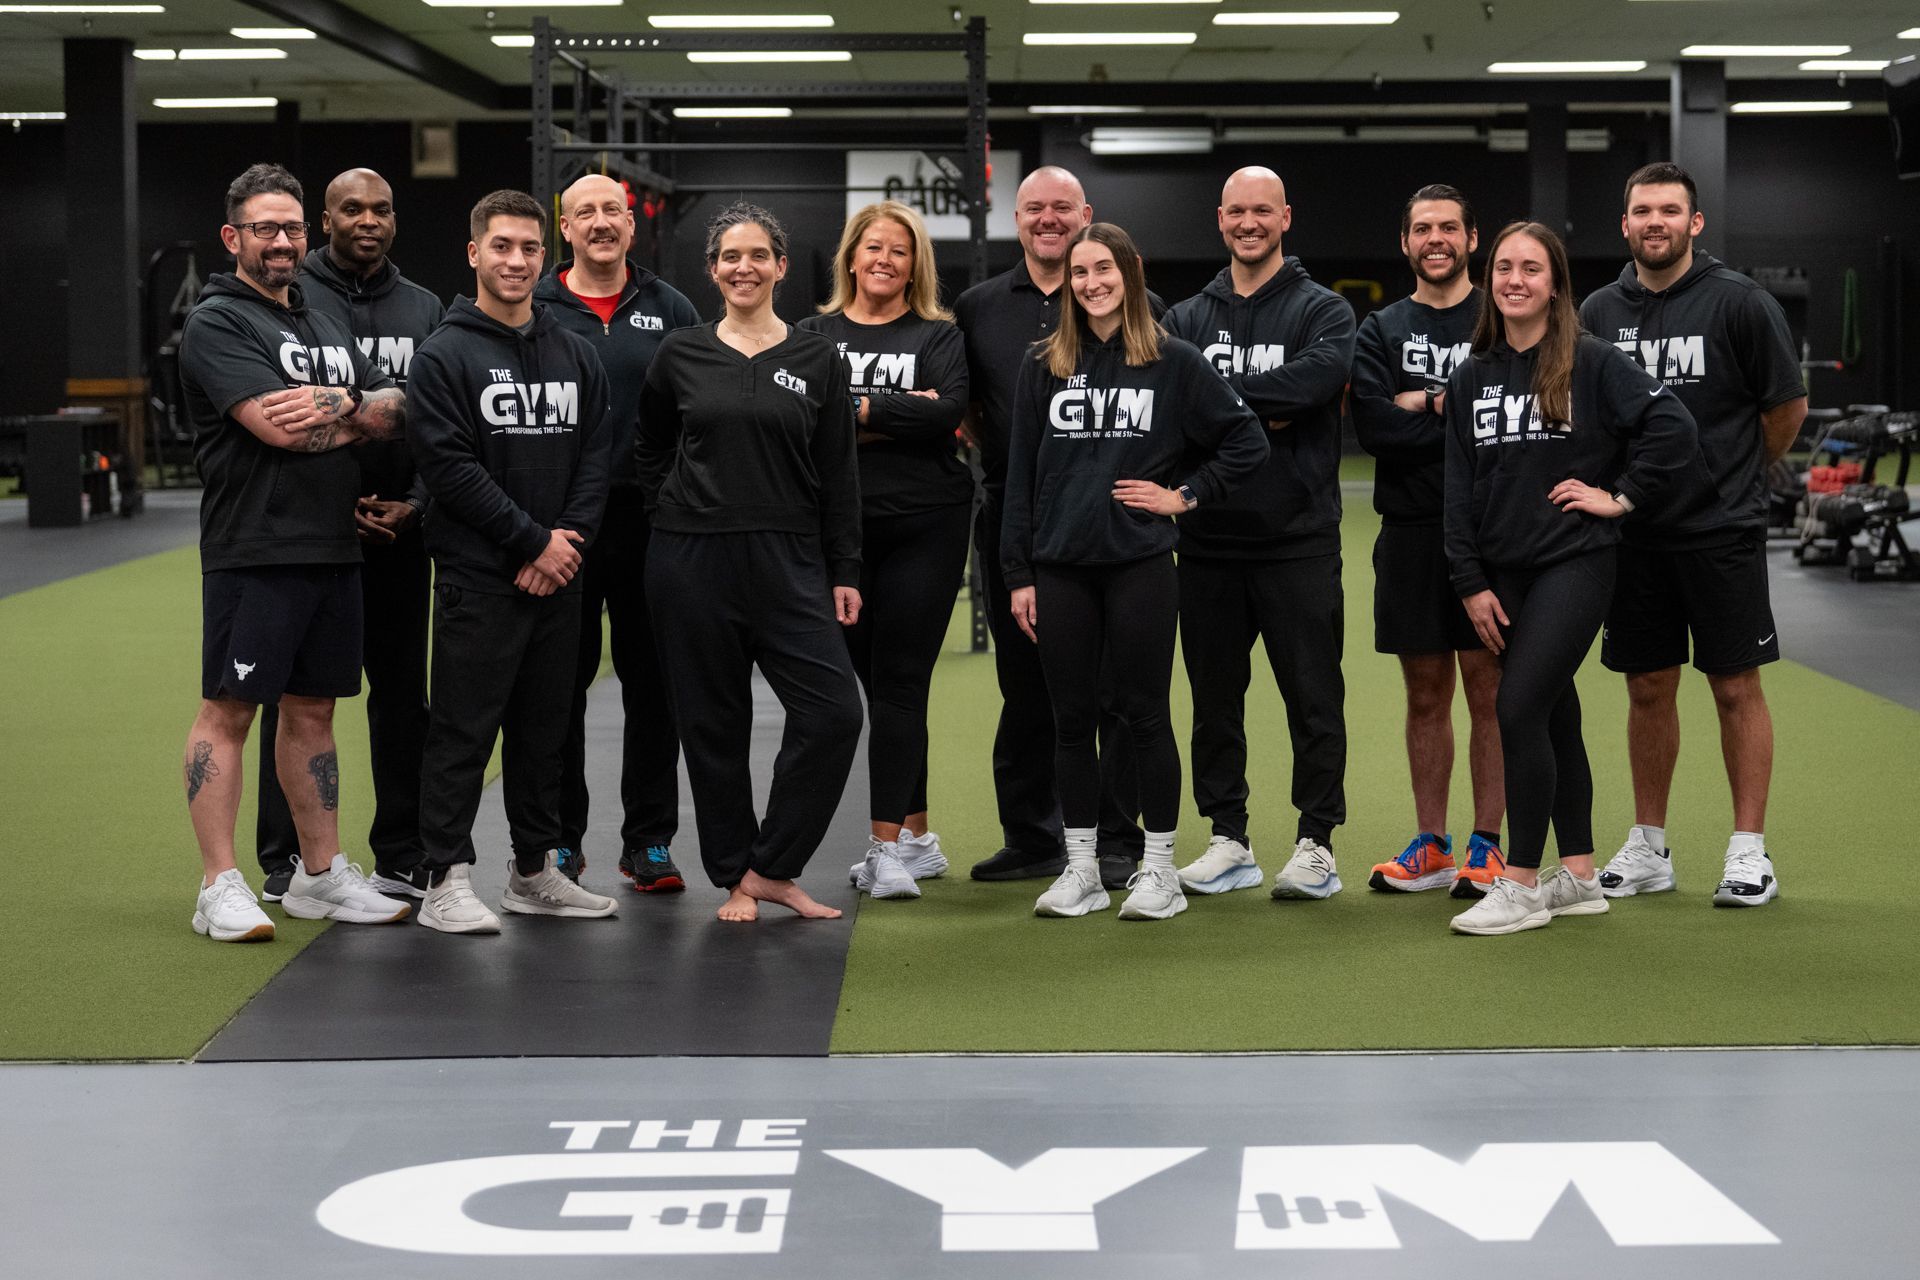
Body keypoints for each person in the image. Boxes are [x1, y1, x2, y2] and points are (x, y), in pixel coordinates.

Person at [177, 162, 414, 940]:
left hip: (332, 547)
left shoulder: (320, 316)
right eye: (265, 229)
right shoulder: (219, 322)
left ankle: (319, 874)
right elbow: (277, 429)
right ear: (233, 238)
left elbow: (394, 406)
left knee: (314, 713)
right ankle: (219, 884)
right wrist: (351, 413)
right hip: (256, 548)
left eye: (291, 229)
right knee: (230, 710)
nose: (282, 242)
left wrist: (340, 404)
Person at [1004, 222, 1267, 921]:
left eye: (1104, 269)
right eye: (1080, 272)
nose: (1091, 283)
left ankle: (1158, 872)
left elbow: (1246, 439)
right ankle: (1083, 868)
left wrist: (1183, 496)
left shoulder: (1173, 361)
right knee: (1070, 722)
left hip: (1140, 566)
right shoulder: (1043, 364)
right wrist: (1018, 573)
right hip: (1059, 568)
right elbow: (1019, 476)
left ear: (1130, 272)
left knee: (1146, 716)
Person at [1442, 221, 1697, 936]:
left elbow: (1672, 427)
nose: (1514, 279)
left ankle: (1520, 880)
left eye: (1530, 268)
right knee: (1555, 711)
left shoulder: (1590, 361)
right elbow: (1457, 488)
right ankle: (1579, 876)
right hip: (1501, 571)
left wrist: (1618, 496)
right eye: (1503, 268)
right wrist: (1468, 581)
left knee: (1517, 708)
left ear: (1554, 284)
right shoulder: (1472, 374)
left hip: (1576, 563)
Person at [1581, 163, 1808, 908]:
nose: (1656, 222)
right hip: (1634, 533)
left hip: (1721, 532)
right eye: (1642, 210)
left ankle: (1750, 854)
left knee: (1735, 686)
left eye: (1669, 211)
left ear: (1694, 222)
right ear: (1625, 224)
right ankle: (1649, 848)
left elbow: (1786, 409)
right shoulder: (1599, 311)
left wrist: (1731, 476)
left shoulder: (1740, 303)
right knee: (1647, 687)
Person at [637, 202, 864, 923]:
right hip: (690, 559)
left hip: (789, 558)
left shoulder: (817, 356)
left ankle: (775, 866)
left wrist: (845, 568)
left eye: (758, 255)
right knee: (713, 725)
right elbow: (649, 447)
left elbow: (839, 471)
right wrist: (676, 506)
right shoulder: (680, 353)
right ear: (712, 270)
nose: (744, 267)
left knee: (833, 714)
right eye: (730, 257)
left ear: (781, 267)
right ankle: (737, 874)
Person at [408, 189, 618, 935]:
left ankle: (534, 871)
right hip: (480, 578)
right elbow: (450, 469)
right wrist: (533, 542)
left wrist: (567, 542)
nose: (517, 261)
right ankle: (443, 877)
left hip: (559, 576)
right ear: (474, 253)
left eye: (530, 249)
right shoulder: (443, 355)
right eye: (502, 246)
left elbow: (598, 456)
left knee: (546, 731)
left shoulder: (575, 352)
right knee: (463, 731)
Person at [251, 167, 445, 905]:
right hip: (312, 532)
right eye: (352, 209)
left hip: (401, 532)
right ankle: (286, 857)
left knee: (402, 696)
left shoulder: (426, 307)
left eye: (383, 209)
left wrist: (418, 504)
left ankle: (402, 849)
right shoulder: (291, 300)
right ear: (324, 220)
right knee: (297, 696)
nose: (370, 219)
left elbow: (441, 420)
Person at [1163, 166, 1356, 901]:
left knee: (1313, 696)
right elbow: (1170, 404)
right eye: (1237, 211)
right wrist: (1255, 413)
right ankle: (1228, 839)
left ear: (1285, 218)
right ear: (1221, 219)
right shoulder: (1185, 317)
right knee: (1214, 700)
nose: (1249, 222)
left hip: (1298, 540)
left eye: (1262, 211)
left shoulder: (1323, 311)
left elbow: (1315, 384)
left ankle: (1316, 842)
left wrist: (1212, 402)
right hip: (1207, 541)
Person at [954, 165, 1146, 889]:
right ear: (1017, 216)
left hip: (1114, 523)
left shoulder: (1134, 305)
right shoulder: (977, 307)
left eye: (1062, 208)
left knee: (1115, 691)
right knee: (1026, 685)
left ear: (1085, 213)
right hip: (1015, 520)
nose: (1048, 220)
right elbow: (967, 408)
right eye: (1034, 208)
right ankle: (1033, 837)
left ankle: (1120, 840)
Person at [798, 200, 971, 901]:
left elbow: (948, 413)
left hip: (927, 524)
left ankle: (887, 849)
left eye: (899, 251)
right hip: (838, 533)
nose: (883, 260)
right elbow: (802, 418)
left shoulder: (939, 334)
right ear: (851, 256)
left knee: (901, 683)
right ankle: (919, 836)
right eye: (872, 247)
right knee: (867, 688)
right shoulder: (811, 334)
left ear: (914, 264)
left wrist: (856, 410)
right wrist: (898, 412)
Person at [534, 173, 701, 894]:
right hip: (563, 524)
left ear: (632, 227)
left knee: (655, 688)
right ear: (563, 228)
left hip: (651, 522)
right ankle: (562, 842)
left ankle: (649, 842)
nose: (601, 222)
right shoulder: (535, 305)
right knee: (559, 687)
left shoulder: (671, 307)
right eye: (585, 212)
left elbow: (700, 409)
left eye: (613, 211)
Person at [1350, 183, 1507, 898]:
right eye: (1422, 228)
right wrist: (1455, 409)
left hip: (1492, 532)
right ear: (1406, 243)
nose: (1435, 238)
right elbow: (1376, 430)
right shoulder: (1380, 329)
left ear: (1473, 239)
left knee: (1490, 690)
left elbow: (1508, 424)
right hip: (1410, 533)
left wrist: (1424, 401)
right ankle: (1433, 843)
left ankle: (1487, 844)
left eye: (1449, 227)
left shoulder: (1503, 316)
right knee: (1423, 693)